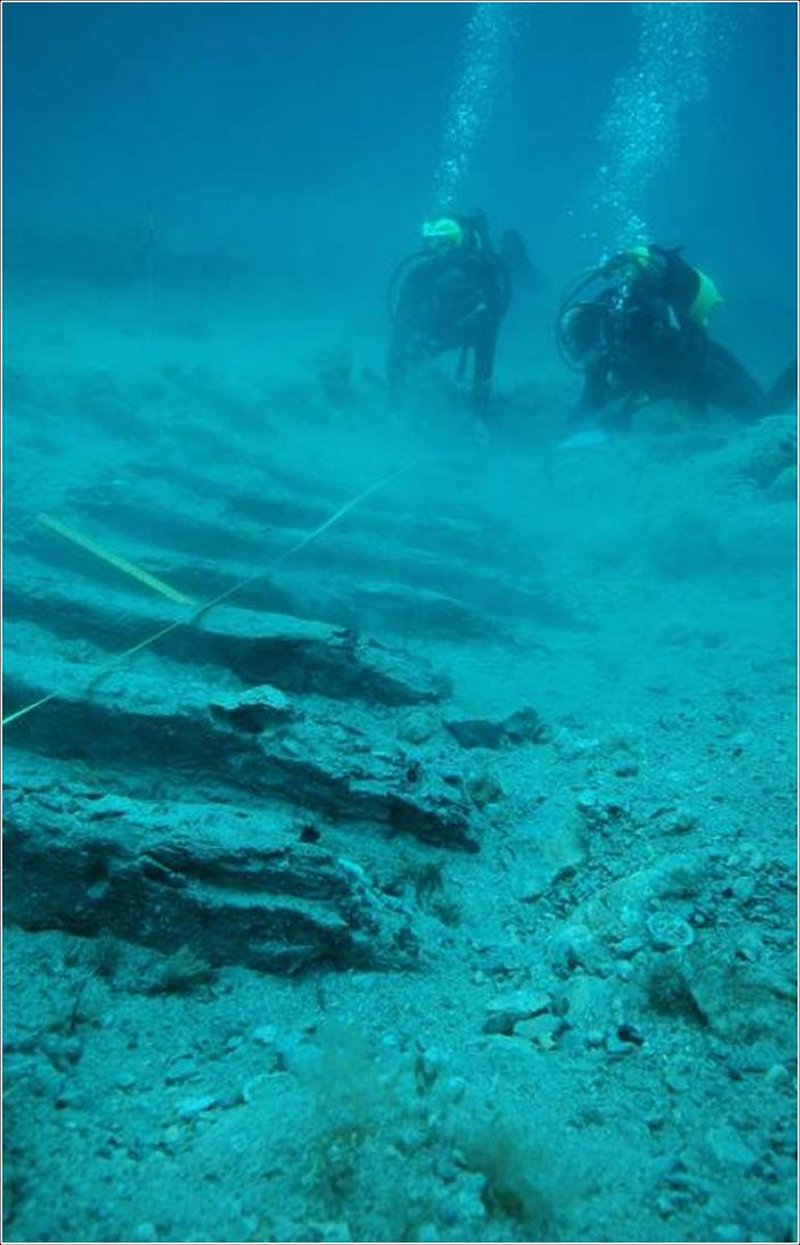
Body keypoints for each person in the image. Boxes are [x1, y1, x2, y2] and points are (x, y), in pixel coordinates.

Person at [557, 244, 794, 425]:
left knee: (765, 417)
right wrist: (565, 431)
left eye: (578, 348)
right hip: (699, 355)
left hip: (704, 367)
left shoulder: (630, 327)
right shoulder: (611, 330)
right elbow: (591, 400)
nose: (580, 357)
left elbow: (671, 369)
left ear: (590, 338)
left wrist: (627, 412)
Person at [386, 210, 512, 420]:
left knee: (483, 332)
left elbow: (487, 355)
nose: (443, 251)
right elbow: (399, 337)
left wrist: (478, 412)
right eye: (437, 243)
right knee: (414, 356)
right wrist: (396, 404)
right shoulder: (419, 275)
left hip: (469, 327)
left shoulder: (485, 271)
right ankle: (407, 391)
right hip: (434, 330)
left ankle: (476, 407)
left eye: (449, 242)